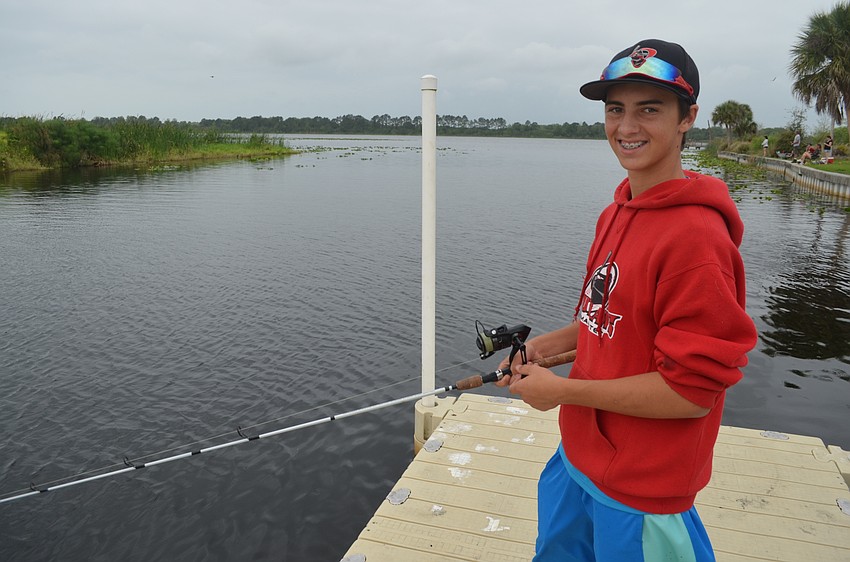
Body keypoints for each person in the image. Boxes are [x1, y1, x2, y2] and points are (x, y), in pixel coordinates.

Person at [496, 39, 757, 561]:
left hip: (640, 490)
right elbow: (603, 318)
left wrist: (563, 392)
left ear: (688, 118)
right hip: (577, 460)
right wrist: (542, 349)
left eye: (649, 109)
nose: (626, 126)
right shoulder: (615, 212)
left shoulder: (697, 240)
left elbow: (690, 393)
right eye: (615, 109)